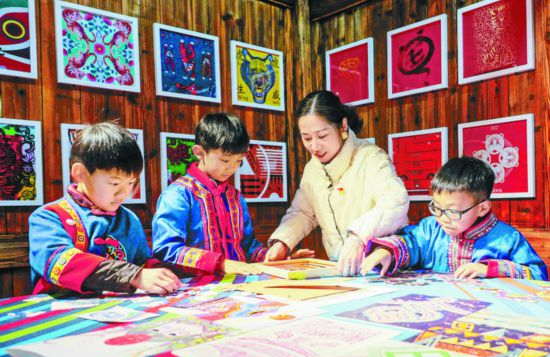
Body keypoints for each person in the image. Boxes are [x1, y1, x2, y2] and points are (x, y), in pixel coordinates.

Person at [265, 90, 409, 275]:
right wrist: (283, 242)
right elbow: (303, 212)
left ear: (342, 126)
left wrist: (358, 238)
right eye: (307, 138)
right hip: (339, 268)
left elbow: (395, 203)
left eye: (322, 136)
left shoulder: (372, 157)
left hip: (380, 267)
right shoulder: (313, 169)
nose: (314, 146)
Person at [29, 122, 182, 295]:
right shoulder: (48, 217)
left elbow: (143, 261)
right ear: (80, 173)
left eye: (131, 183)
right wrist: (134, 275)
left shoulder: (129, 219)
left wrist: (161, 272)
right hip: (61, 309)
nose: (124, 193)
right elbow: (60, 263)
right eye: (114, 183)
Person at [153, 113, 307, 274]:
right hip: (194, 285)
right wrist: (221, 264)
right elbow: (166, 249)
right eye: (225, 160)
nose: (232, 168)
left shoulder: (235, 197)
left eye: (239, 161)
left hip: (237, 283)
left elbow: (247, 246)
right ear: (199, 152)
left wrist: (275, 259)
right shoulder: (178, 195)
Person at [361, 156, 547, 280]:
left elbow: (538, 274)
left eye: (452, 212)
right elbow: (411, 242)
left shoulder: (507, 239)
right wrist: (386, 252)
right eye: (436, 207)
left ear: (482, 208)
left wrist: (489, 269)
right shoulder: (430, 228)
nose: (442, 218)